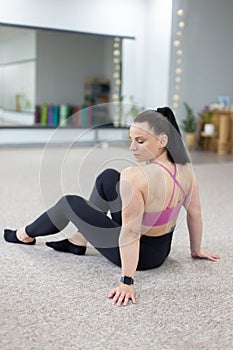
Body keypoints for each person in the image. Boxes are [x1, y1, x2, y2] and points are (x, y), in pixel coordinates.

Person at [3, 107, 220, 307]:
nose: (132, 147)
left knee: (70, 203)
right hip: (161, 249)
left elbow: (131, 231)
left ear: (163, 141)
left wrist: (127, 281)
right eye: (131, 139)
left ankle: (25, 235)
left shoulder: (136, 177)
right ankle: (78, 241)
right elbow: (195, 213)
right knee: (109, 177)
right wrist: (196, 250)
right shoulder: (186, 169)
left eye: (140, 141)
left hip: (142, 256)